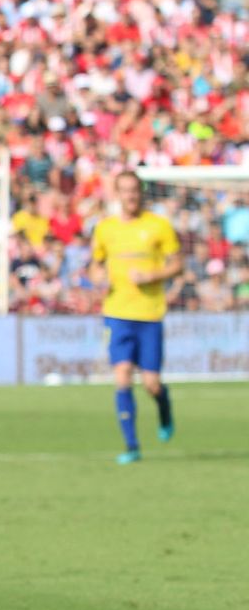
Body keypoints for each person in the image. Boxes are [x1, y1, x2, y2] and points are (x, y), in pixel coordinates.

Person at [90, 171, 182, 464]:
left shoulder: (158, 226)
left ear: (141, 192)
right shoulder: (105, 228)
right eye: (125, 190)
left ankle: (163, 405)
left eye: (134, 190)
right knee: (122, 376)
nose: (130, 195)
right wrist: (99, 278)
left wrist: (152, 275)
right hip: (117, 313)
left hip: (150, 314)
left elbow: (178, 264)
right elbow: (95, 265)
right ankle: (132, 446)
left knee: (151, 383)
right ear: (117, 194)